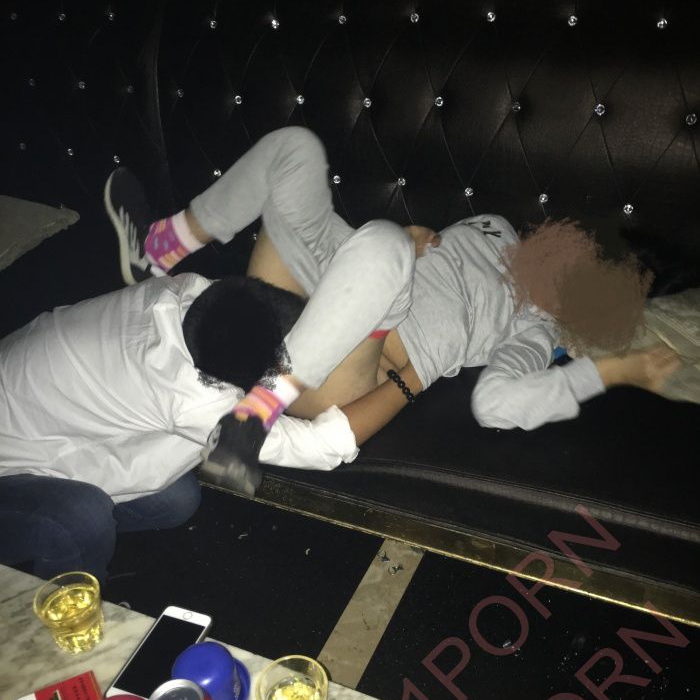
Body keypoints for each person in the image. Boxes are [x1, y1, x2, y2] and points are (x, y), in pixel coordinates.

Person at [105, 126, 682, 493]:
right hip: (327, 286)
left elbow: (497, 406)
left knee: (385, 244)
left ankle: (256, 414)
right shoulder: (497, 227)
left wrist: (611, 372)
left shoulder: (534, 327)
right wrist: (404, 243)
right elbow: (382, 260)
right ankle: (161, 248)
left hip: (351, 362)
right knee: (297, 150)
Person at [0, 272, 363, 583]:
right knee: (82, 518)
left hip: (38, 426)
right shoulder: (190, 397)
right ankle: (71, 606)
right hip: (9, 466)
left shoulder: (190, 291)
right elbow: (323, 446)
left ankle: (73, 540)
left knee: (177, 501)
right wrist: (399, 380)